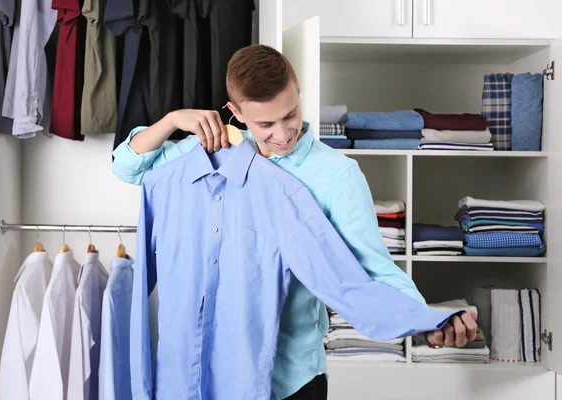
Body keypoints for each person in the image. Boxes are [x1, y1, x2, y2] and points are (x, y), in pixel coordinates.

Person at [111, 44, 478, 400]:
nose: (283, 133)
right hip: (213, 376)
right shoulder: (209, 153)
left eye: (290, 114)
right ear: (236, 113)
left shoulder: (337, 175)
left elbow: (373, 271)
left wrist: (425, 320)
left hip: (293, 379)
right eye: (265, 123)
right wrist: (174, 120)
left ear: (298, 91)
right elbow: (127, 167)